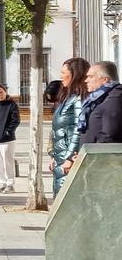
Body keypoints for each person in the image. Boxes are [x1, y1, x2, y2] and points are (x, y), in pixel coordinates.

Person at [49, 59, 88, 196]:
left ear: (75, 74)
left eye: (63, 72)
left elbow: (79, 129)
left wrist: (70, 158)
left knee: (67, 199)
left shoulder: (79, 99)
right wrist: (54, 156)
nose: (60, 76)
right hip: (61, 157)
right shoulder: (68, 97)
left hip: (68, 159)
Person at [0, 85, 21, 193]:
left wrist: (8, 131)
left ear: (5, 92)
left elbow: (16, 120)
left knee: (8, 162)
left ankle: (10, 184)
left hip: (7, 139)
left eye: (1, 92)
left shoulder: (12, 105)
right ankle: (2, 183)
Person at [80, 61, 122, 144]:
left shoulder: (115, 98)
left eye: (90, 77)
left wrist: (95, 150)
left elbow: (110, 135)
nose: (86, 80)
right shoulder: (98, 98)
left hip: (101, 151)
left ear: (105, 80)